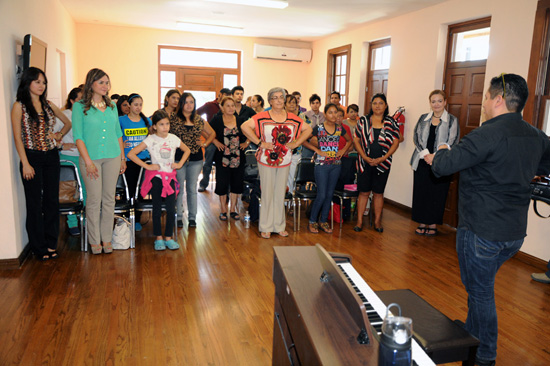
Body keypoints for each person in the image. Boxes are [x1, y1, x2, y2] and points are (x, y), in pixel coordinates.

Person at [431, 73, 550, 366]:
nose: (483, 103)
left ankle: (485, 355)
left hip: (482, 231)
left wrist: (442, 152)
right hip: (513, 235)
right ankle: (472, 334)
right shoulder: (535, 135)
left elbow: (444, 166)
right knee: (478, 286)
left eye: (485, 97)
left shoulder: (486, 133)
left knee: (481, 292)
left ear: (498, 100)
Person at [11, 67, 72, 260]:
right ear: (27, 82)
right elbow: (18, 138)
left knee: (52, 201)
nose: (41, 85)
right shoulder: (19, 106)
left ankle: (51, 244)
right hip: (32, 158)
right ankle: (38, 247)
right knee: (34, 203)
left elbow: (67, 123)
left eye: (43, 82)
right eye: (37, 81)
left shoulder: (48, 105)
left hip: (51, 156)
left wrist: (58, 136)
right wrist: (25, 163)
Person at [241, 87, 312, 239]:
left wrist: (295, 143)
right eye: (275, 97)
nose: (279, 100)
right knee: (267, 192)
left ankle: (279, 225)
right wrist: (260, 142)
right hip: (265, 159)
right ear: (270, 101)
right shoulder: (262, 116)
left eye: (281, 97)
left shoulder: (292, 117)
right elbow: (244, 127)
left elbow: (308, 130)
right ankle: (266, 226)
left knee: (281, 192)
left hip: (285, 159)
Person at [73, 68, 126, 255]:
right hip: (91, 159)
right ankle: (94, 240)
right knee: (94, 200)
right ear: (91, 84)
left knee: (109, 199)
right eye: (101, 82)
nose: (106, 86)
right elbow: (78, 137)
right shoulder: (79, 106)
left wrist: (122, 157)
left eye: (107, 82)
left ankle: (107, 238)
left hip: (112, 156)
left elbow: (118, 133)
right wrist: (87, 162)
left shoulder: (112, 105)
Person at [127, 109, 191, 251]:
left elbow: (187, 150)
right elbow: (131, 154)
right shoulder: (150, 139)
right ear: (154, 126)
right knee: (156, 208)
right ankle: (158, 238)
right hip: (156, 178)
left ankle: (168, 237)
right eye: (161, 124)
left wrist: (179, 164)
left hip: (170, 178)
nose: (165, 127)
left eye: (167, 124)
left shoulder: (173, 138)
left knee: (170, 208)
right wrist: (147, 166)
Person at [410, 90, 459, 236]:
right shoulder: (423, 118)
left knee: (437, 194)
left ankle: (432, 224)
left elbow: (453, 140)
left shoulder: (452, 120)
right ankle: (422, 222)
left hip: (441, 162)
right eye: (433, 101)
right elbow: (416, 136)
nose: (436, 104)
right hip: (422, 160)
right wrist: (426, 155)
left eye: (439, 101)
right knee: (421, 192)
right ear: (430, 103)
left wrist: (435, 156)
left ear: (445, 102)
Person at [353, 93, 400, 233]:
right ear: (371, 105)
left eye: (380, 103)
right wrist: (365, 157)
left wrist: (383, 158)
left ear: (385, 105)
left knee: (378, 193)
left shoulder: (391, 122)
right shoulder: (363, 121)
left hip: (383, 163)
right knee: (363, 192)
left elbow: (396, 142)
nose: (377, 106)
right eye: (375, 103)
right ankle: (360, 221)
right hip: (364, 161)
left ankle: (378, 222)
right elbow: (356, 140)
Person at [303, 104, 352, 234]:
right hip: (321, 165)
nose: (334, 115)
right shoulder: (319, 128)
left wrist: (342, 151)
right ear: (325, 114)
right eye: (330, 112)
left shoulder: (340, 128)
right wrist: (317, 149)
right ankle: (312, 221)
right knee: (322, 194)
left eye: (335, 112)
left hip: (336, 165)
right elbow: (303, 140)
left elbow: (349, 141)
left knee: (330, 195)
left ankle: (323, 221)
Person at [170, 92, 215, 228]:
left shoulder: (199, 120)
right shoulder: (172, 118)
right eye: (187, 102)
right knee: (179, 189)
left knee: (191, 188)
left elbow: (212, 133)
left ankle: (192, 218)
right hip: (178, 159)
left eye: (192, 102)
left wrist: (205, 143)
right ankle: (178, 216)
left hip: (195, 159)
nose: (189, 105)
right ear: (181, 104)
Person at [210, 96, 249, 221]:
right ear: (221, 107)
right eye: (228, 105)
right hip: (223, 157)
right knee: (222, 183)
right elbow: (207, 131)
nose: (231, 108)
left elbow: (253, 131)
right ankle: (223, 209)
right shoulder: (216, 120)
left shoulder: (241, 120)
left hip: (238, 156)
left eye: (232, 105)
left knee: (236, 184)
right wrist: (215, 142)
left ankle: (233, 209)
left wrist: (247, 143)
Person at [54, 86, 85, 236]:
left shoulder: (87, 115)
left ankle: (85, 220)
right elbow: (52, 135)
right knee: (70, 191)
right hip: (68, 158)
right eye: (79, 99)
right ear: (72, 101)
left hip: (84, 157)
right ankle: (73, 223)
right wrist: (60, 144)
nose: (82, 102)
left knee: (85, 191)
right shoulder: (65, 115)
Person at [119, 93, 151, 231]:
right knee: (129, 191)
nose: (138, 107)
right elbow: (116, 138)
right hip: (128, 160)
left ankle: (137, 219)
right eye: (135, 104)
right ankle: (127, 218)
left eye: (140, 105)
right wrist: (121, 147)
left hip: (143, 160)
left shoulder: (147, 121)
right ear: (129, 105)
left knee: (141, 192)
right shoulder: (121, 120)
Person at [197, 88, 231, 192]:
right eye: (224, 96)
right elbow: (195, 115)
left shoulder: (230, 108)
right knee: (208, 163)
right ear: (219, 95)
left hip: (226, 141)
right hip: (212, 140)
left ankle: (227, 185)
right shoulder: (209, 105)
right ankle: (204, 183)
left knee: (227, 163)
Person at [285, 94, 309, 193]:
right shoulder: (280, 115)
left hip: (296, 150)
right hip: (282, 151)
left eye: (294, 102)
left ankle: (289, 200)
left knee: (292, 176)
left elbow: (308, 129)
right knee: (282, 177)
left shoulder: (301, 115)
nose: (292, 104)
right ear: (284, 104)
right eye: (289, 102)